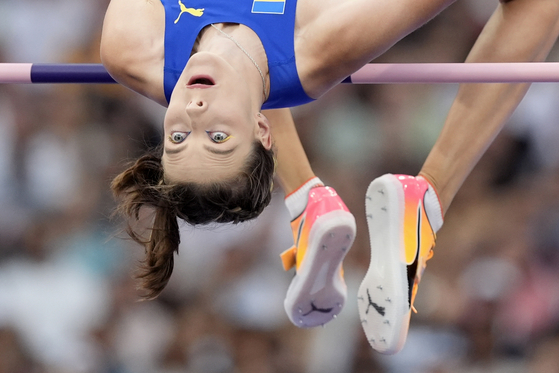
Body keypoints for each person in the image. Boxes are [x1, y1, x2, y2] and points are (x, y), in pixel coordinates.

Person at [100, 0, 559, 354]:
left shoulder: (133, 50)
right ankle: (427, 194)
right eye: (217, 137)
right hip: (294, 46)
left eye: (179, 137)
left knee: (238, 77)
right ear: (263, 129)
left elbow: (231, 89)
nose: (195, 111)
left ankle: (308, 199)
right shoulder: (322, 40)